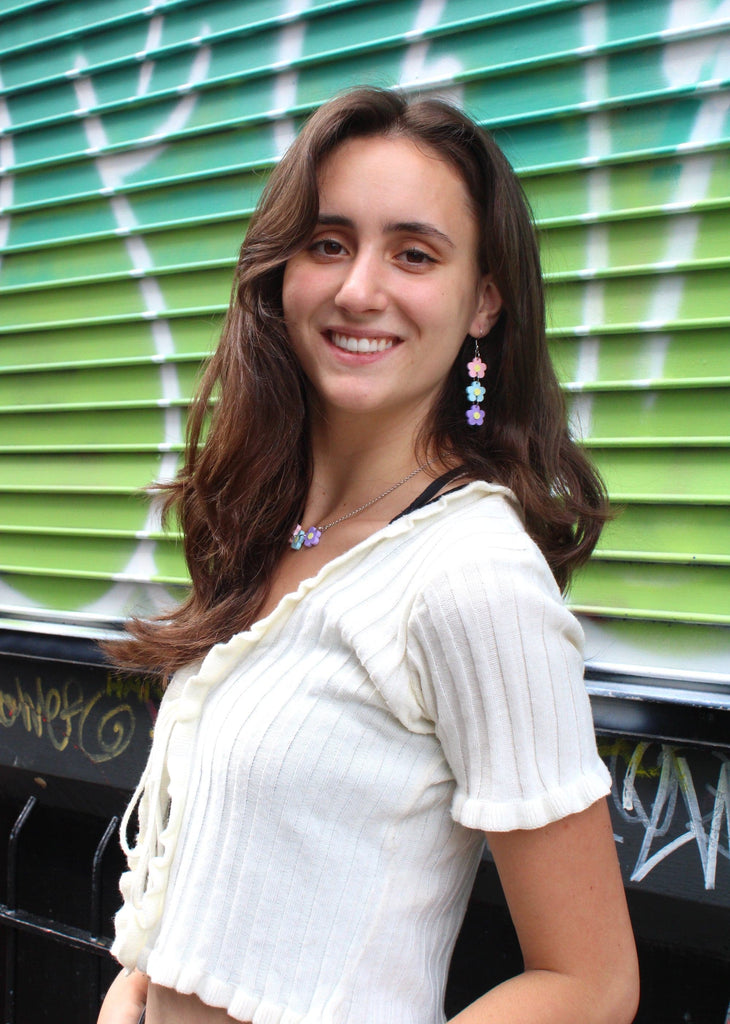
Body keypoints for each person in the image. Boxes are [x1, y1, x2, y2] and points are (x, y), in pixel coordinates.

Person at [98, 86, 639, 1024]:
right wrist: (137, 986)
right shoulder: (282, 531)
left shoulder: (471, 573)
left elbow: (590, 984)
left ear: (482, 302)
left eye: (414, 254)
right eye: (329, 242)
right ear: (283, 271)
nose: (359, 289)